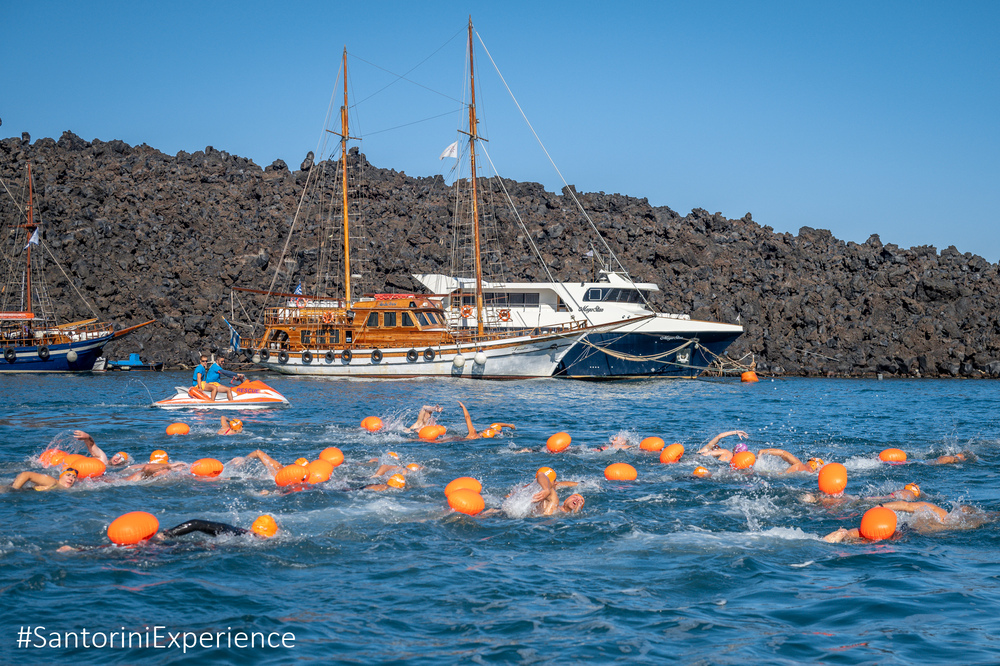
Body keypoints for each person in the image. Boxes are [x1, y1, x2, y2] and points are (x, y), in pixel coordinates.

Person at [757, 448, 824, 474]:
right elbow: (783, 454)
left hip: (774, 476)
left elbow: (783, 453)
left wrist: (763, 451)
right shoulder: (799, 465)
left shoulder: (799, 464)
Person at [9, 467, 78, 491]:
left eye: (74, 477)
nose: (71, 478)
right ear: (61, 476)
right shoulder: (52, 482)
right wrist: (13, 490)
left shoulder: (60, 488)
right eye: (68, 475)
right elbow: (26, 474)